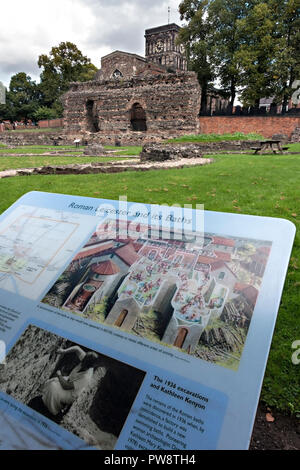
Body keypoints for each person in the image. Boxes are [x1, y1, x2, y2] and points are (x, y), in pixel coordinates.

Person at [41, 345, 100, 417]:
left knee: (53, 387)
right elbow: (77, 348)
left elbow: (66, 386)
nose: (81, 363)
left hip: (71, 393)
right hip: (69, 380)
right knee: (52, 382)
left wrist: (59, 375)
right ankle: (47, 402)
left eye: (84, 363)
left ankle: (54, 410)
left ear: (89, 366)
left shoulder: (86, 377)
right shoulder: (86, 359)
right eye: (83, 361)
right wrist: (64, 351)